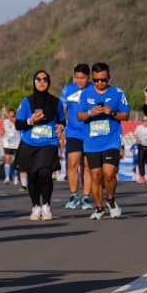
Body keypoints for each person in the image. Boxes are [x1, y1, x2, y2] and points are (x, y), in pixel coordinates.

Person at [76, 62, 130, 219]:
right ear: (93, 78)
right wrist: (90, 112)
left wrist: (111, 112)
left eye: (104, 80)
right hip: (92, 142)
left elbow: (125, 115)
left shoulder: (117, 93)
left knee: (109, 173)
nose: (100, 83)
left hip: (111, 140)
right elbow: (79, 116)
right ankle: (99, 208)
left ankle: (111, 200)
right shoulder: (85, 94)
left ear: (109, 78)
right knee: (95, 175)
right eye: (97, 80)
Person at [14, 70, 65, 220]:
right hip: (30, 143)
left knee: (44, 172)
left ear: (49, 82)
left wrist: (61, 126)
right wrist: (31, 120)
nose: (42, 82)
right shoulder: (26, 102)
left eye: (45, 79)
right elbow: (18, 124)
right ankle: (35, 205)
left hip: (48, 142)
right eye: (38, 79)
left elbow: (62, 120)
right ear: (34, 82)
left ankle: (46, 205)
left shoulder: (56, 102)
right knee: (33, 175)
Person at [60, 63, 94, 211]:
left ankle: (86, 197)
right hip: (73, 132)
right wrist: (60, 126)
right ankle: (73, 195)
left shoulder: (94, 89)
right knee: (72, 164)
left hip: (90, 133)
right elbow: (62, 110)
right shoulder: (68, 89)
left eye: (83, 78)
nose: (79, 81)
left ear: (89, 77)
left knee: (87, 166)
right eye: (77, 77)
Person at [1, 103, 21, 186]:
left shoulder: (17, 121)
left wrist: (4, 110)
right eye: (9, 114)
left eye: (12, 114)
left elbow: (13, 121)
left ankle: (16, 176)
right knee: (7, 159)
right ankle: (7, 177)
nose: (11, 115)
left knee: (16, 161)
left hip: (16, 143)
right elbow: (4, 131)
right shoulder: (5, 122)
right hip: (7, 143)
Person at [133, 114, 147, 184]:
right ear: (142, 121)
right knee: (141, 161)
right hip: (141, 146)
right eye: (144, 120)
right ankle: (142, 176)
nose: (145, 122)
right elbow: (135, 134)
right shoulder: (139, 127)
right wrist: (137, 139)